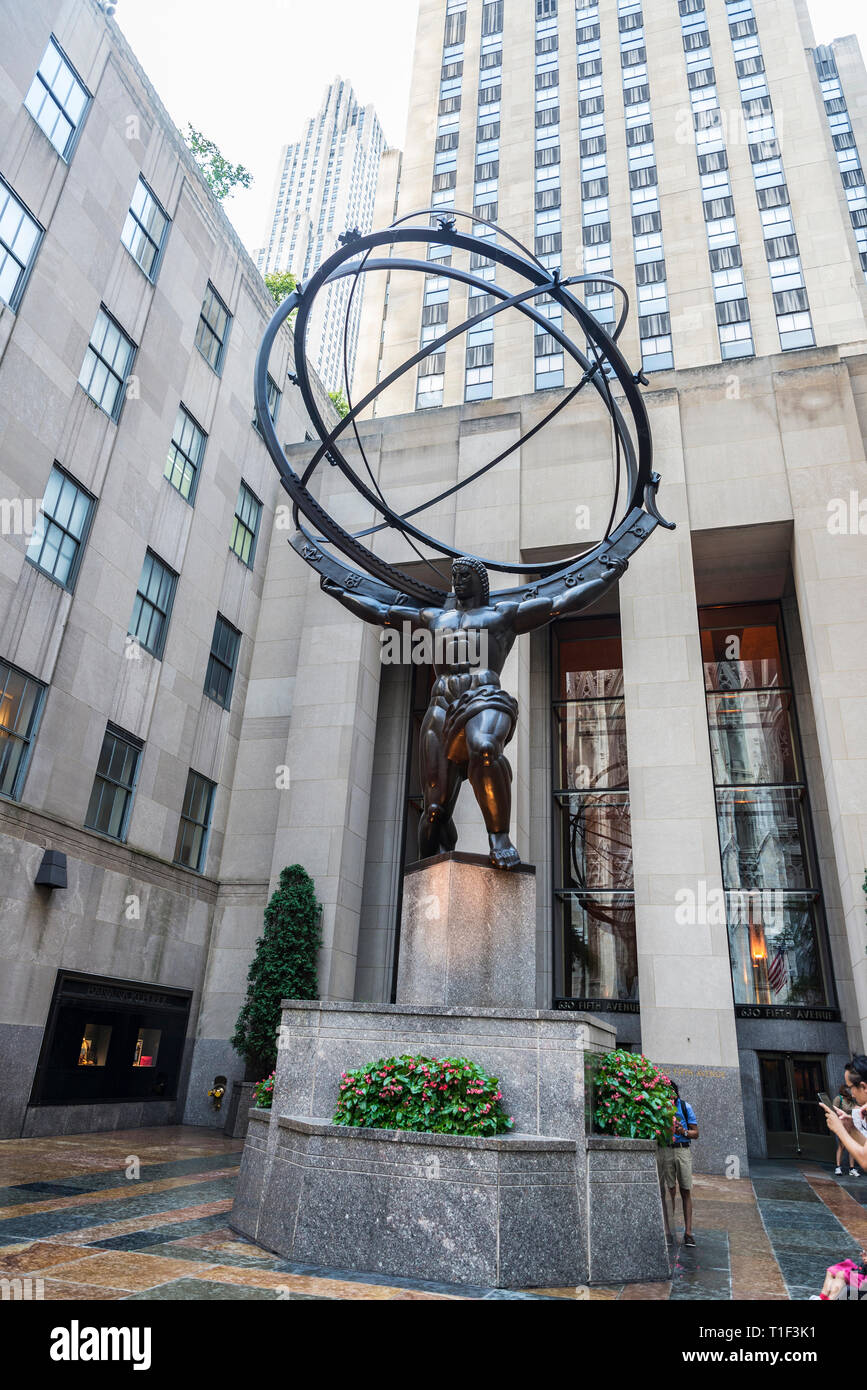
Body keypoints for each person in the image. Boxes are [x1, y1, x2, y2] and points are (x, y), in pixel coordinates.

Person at [658, 1082, 699, 1247]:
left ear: (675, 1093)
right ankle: (668, 1231)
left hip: (682, 1149)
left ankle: (688, 1233)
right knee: (669, 1191)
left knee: (685, 1190)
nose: (669, 1097)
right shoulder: (659, 1108)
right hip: (665, 1150)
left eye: (671, 1093)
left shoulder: (684, 1106)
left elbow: (696, 1133)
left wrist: (684, 1132)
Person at [832, 1083, 861, 1177]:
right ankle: (838, 1167)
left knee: (851, 1147)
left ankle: (852, 1169)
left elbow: (858, 1108)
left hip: (851, 1125)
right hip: (842, 1125)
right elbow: (833, 1109)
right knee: (842, 1146)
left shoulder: (852, 1100)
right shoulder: (839, 1099)